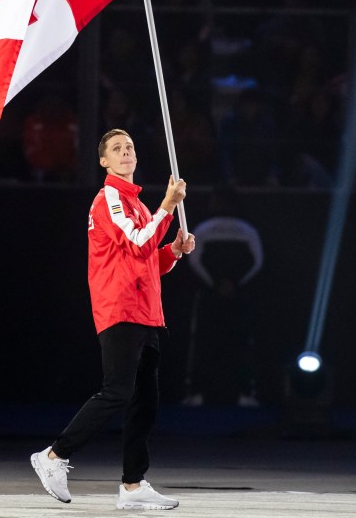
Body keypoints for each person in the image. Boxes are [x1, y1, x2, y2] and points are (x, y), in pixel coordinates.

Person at [30, 128, 195, 510]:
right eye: (117, 149)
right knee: (117, 391)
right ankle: (53, 456)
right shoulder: (109, 199)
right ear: (104, 161)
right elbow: (137, 240)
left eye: (130, 147)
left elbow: (147, 260)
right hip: (120, 308)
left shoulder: (135, 203)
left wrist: (171, 250)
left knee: (145, 402)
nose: (126, 153)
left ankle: (132, 486)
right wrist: (168, 207)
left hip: (146, 312)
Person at [181, 184, 263, 407]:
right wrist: (228, 284)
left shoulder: (240, 230)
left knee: (240, 340)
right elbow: (256, 262)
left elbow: (257, 261)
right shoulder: (213, 230)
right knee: (206, 341)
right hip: (220, 295)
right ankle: (198, 392)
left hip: (222, 295)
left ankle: (244, 393)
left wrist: (222, 284)